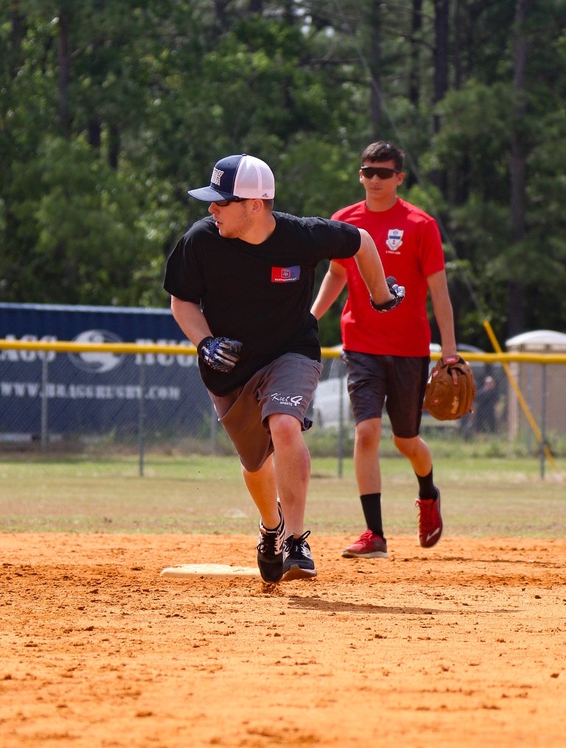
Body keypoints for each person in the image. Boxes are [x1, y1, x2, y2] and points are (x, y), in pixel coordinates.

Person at [163, 153, 403, 583]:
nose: (211, 208)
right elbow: (181, 301)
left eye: (222, 200)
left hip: (292, 351)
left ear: (255, 205)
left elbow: (362, 241)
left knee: (285, 424)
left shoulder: (302, 236)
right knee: (255, 465)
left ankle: (295, 540)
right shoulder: (202, 240)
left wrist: (381, 295)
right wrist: (205, 343)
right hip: (230, 368)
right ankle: (270, 529)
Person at [311, 141, 458, 559]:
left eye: (382, 172)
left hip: (410, 347)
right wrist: (311, 317)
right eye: (367, 171)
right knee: (366, 431)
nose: (374, 179)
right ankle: (374, 533)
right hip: (360, 343)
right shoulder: (345, 221)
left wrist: (448, 351)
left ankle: (428, 493)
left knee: (406, 440)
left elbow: (439, 295)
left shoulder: (420, 224)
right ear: (360, 175)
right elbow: (336, 276)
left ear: (399, 178)